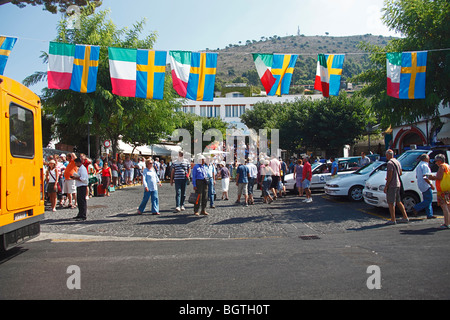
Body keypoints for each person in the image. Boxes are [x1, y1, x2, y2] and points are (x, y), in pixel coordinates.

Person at [384, 149, 409, 224]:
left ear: (387, 155)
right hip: (398, 183)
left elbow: (389, 176)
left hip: (392, 185)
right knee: (398, 201)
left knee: (391, 202)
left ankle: (393, 219)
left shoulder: (389, 163)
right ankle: (405, 216)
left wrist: (386, 186)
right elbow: (400, 173)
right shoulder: (397, 162)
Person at [428, 154, 450, 229]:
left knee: (444, 206)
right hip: (448, 189)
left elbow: (439, 177)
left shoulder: (441, 166)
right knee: (448, 206)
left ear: (439, 161)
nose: (436, 163)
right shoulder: (447, 165)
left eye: (436, 161)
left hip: (442, 190)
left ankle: (446, 223)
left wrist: (431, 177)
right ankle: (448, 222)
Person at [412, 154, 436, 219]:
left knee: (427, 199)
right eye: (428, 158)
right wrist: (431, 184)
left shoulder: (419, 166)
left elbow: (417, 176)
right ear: (425, 159)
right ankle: (416, 208)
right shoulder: (425, 166)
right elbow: (425, 177)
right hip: (426, 185)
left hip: (421, 184)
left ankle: (429, 214)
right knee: (429, 200)